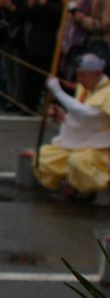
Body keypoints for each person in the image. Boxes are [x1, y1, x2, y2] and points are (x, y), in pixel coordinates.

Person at [36, 53, 110, 203]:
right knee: (44, 156)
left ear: (97, 74)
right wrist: (61, 114)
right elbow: (76, 118)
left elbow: (86, 114)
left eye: (82, 75)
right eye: (78, 75)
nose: (79, 79)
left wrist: (58, 92)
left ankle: (91, 189)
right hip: (79, 143)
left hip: (102, 150)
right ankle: (71, 184)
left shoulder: (108, 92)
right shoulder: (84, 89)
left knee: (79, 161)